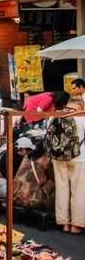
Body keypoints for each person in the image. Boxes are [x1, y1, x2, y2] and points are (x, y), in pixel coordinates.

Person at [51, 99, 85, 234]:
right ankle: (76, 225)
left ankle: (64, 223)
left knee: (62, 189)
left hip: (58, 158)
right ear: (80, 107)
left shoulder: (55, 117)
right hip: (78, 157)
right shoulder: (82, 118)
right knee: (78, 191)